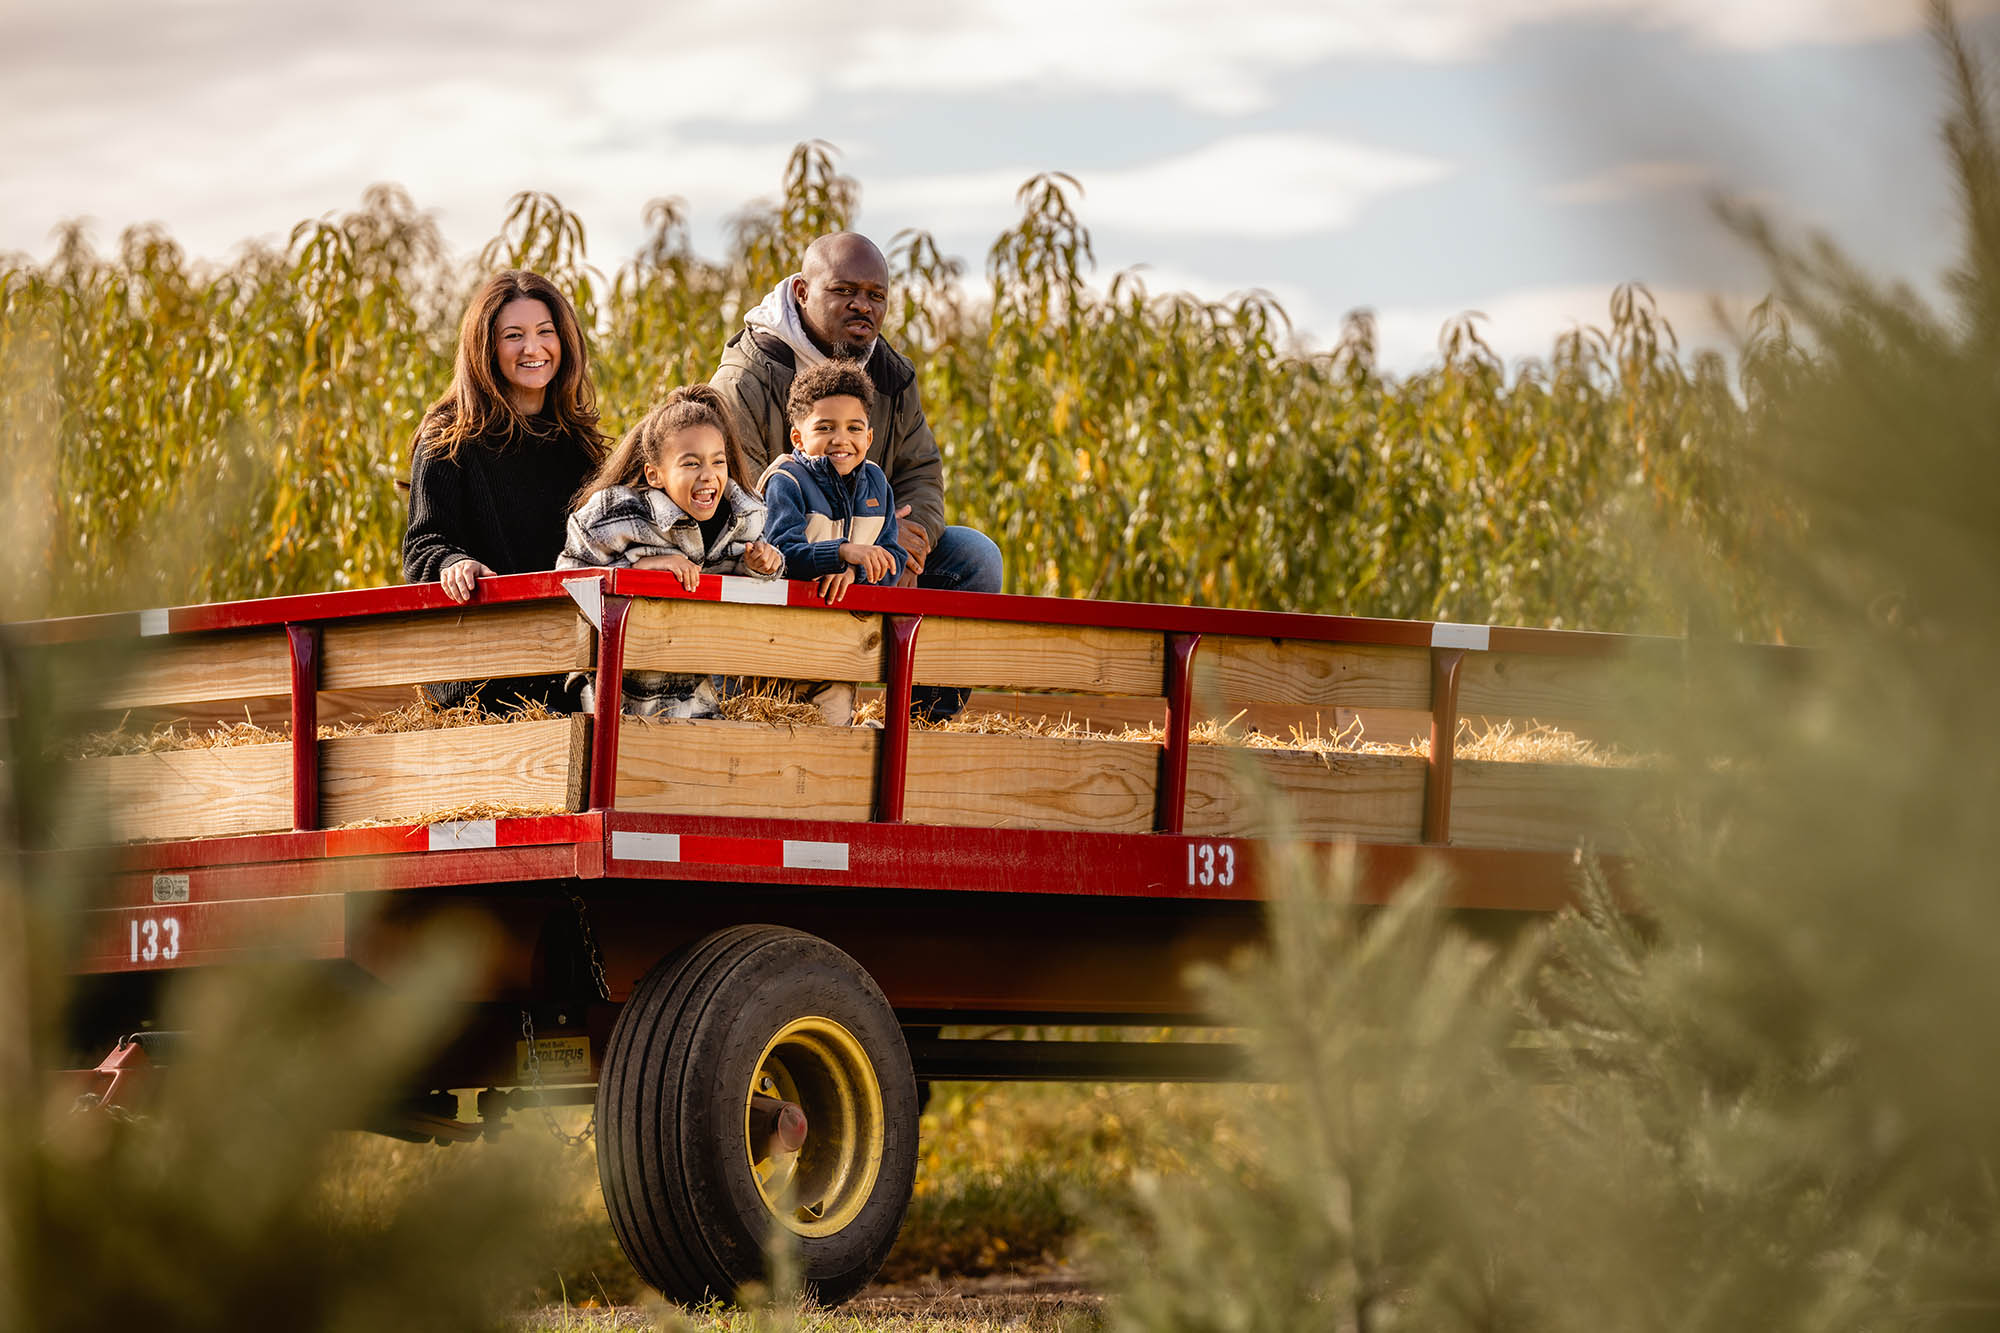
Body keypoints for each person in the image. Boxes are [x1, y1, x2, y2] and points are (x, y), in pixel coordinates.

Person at [710, 232, 1000, 718]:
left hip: (873, 551)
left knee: (974, 557)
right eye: (844, 291)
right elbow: (738, 491)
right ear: (802, 293)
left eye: (875, 295)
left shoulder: (892, 377)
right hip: (777, 561)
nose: (862, 305)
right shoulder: (748, 376)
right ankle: (740, 716)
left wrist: (908, 537)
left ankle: (922, 725)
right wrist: (839, 541)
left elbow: (921, 471)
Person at [402, 270, 607, 709]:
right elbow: (422, 546)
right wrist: (454, 563)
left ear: (564, 341)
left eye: (544, 332)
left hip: (568, 668)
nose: (533, 348)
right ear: (486, 348)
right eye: (513, 335)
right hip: (485, 679)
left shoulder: (581, 446)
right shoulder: (449, 438)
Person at [558, 385, 783, 718]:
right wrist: (641, 567)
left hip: (691, 686)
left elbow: (744, 587)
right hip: (614, 688)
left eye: (717, 461)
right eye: (691, 464)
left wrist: (761, 567)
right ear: (655, 474)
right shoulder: (618, 513)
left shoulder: (741, 520)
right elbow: (568, 574)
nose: (708, 475)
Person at [761, 361, 905, 724]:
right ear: (798, 438)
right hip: (779, 645)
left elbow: (893, 558)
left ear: (868, 438)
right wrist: (840, 552)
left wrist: (857, 571)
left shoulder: (877, 486)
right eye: (825, 428)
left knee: (831, 733)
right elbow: (781, 556)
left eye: (854, 428)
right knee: (773, 728)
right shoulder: (786, 481)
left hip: (840, 649)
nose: (841, 439)